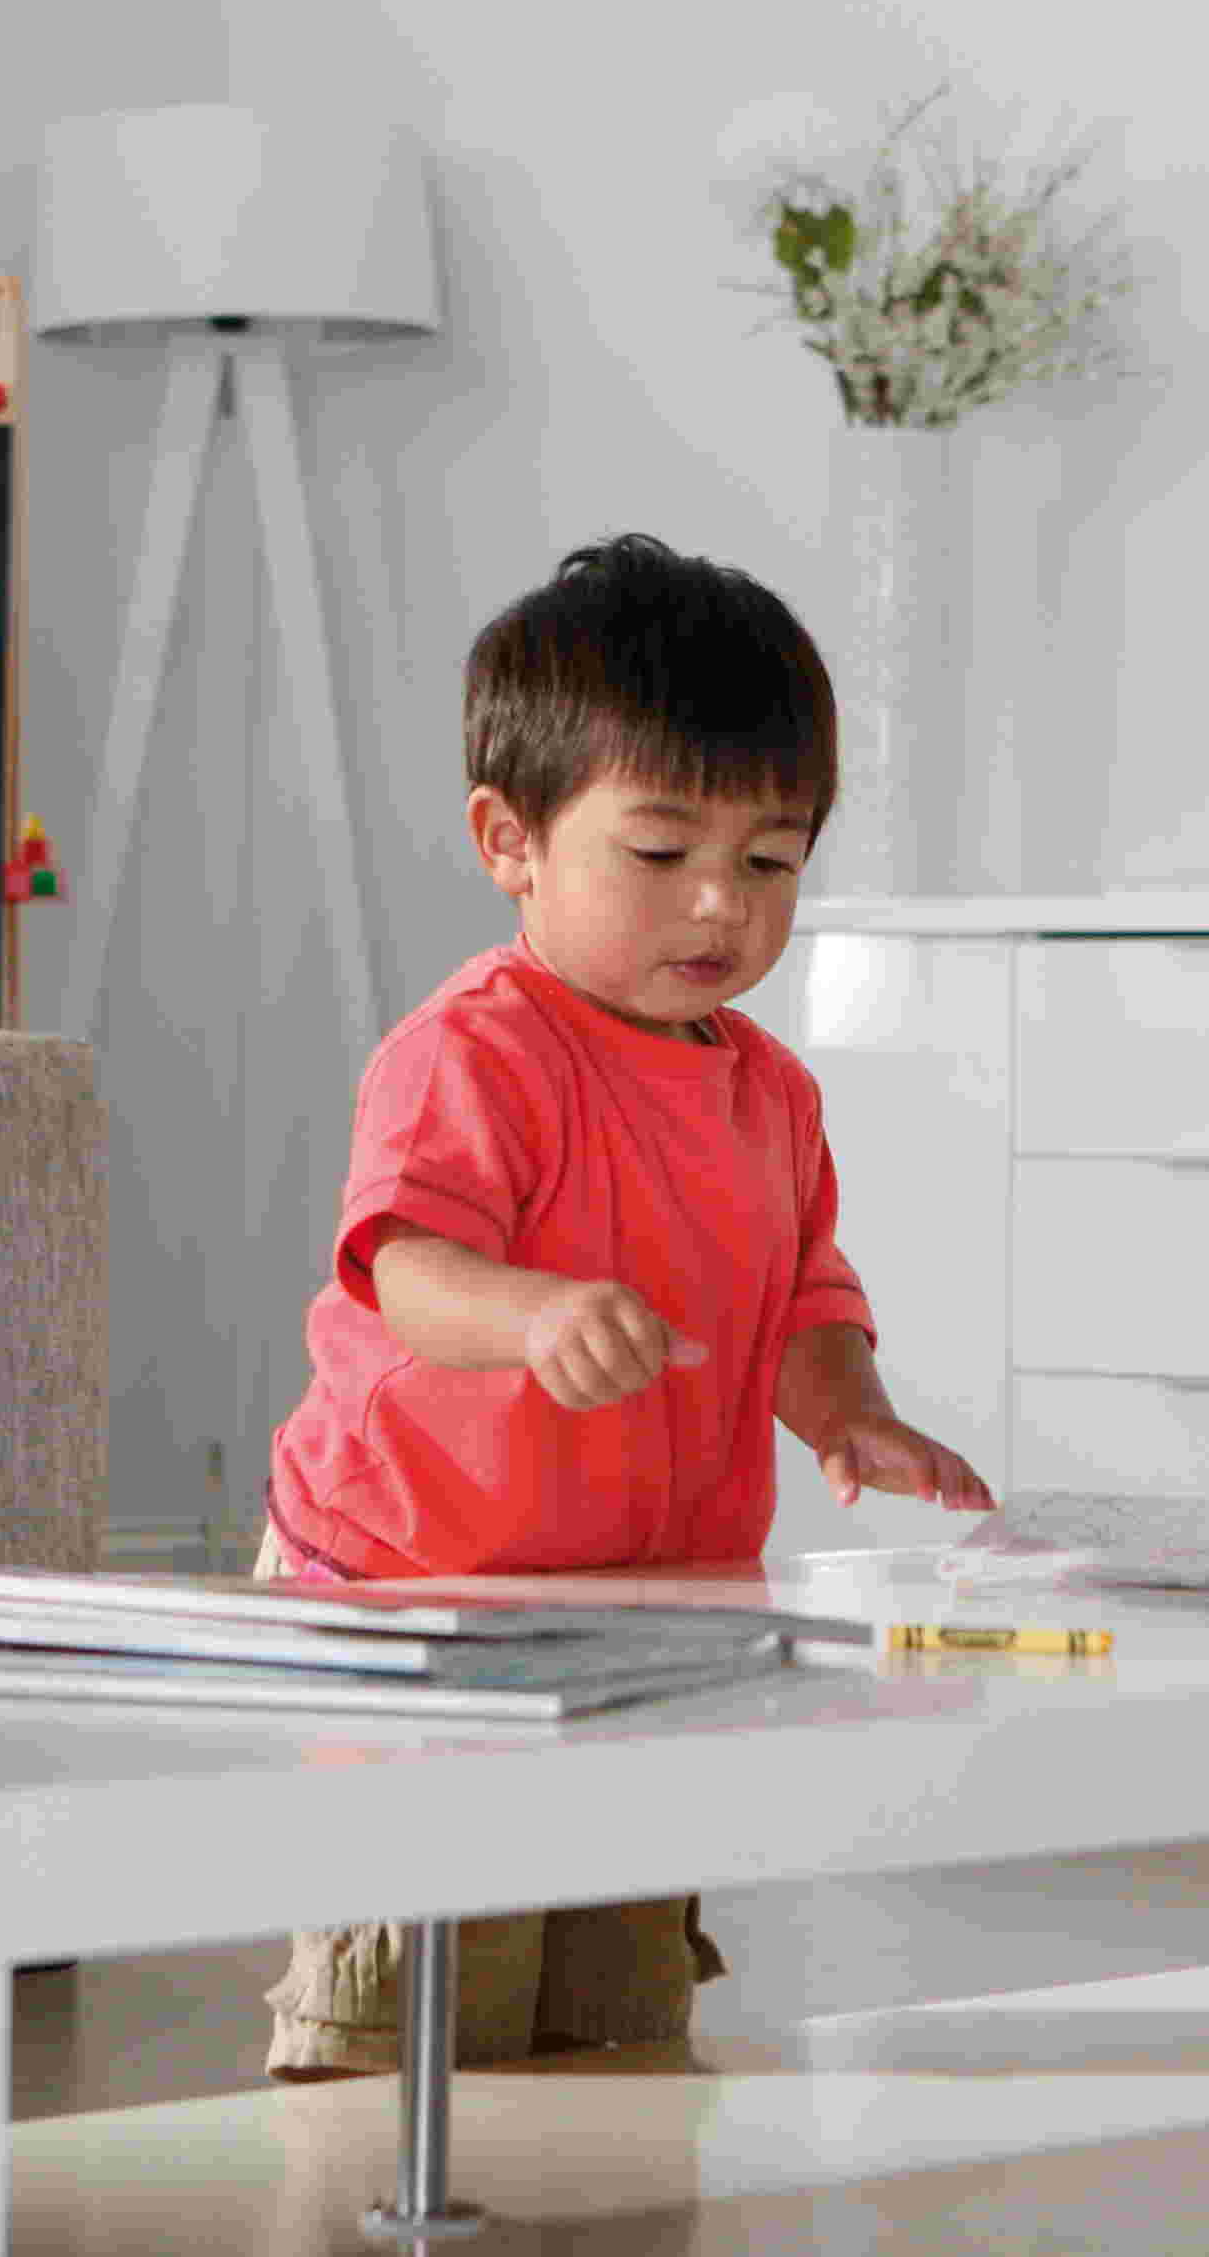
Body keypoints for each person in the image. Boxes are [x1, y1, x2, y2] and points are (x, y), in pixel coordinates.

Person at [255, 532, 996, 2081]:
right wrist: (530, 1317)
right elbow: (408, 1269)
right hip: (420, 1594)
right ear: (509, 839)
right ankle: (370, 2195)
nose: (719, 903)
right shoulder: (471, 1055)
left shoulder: (773, 1096)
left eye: (770, 862)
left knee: (620, 1970)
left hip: (648, 1610)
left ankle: (603, 2201)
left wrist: (848, 1409)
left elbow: (804, 1295)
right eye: (660, 854)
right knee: (428, 1978)